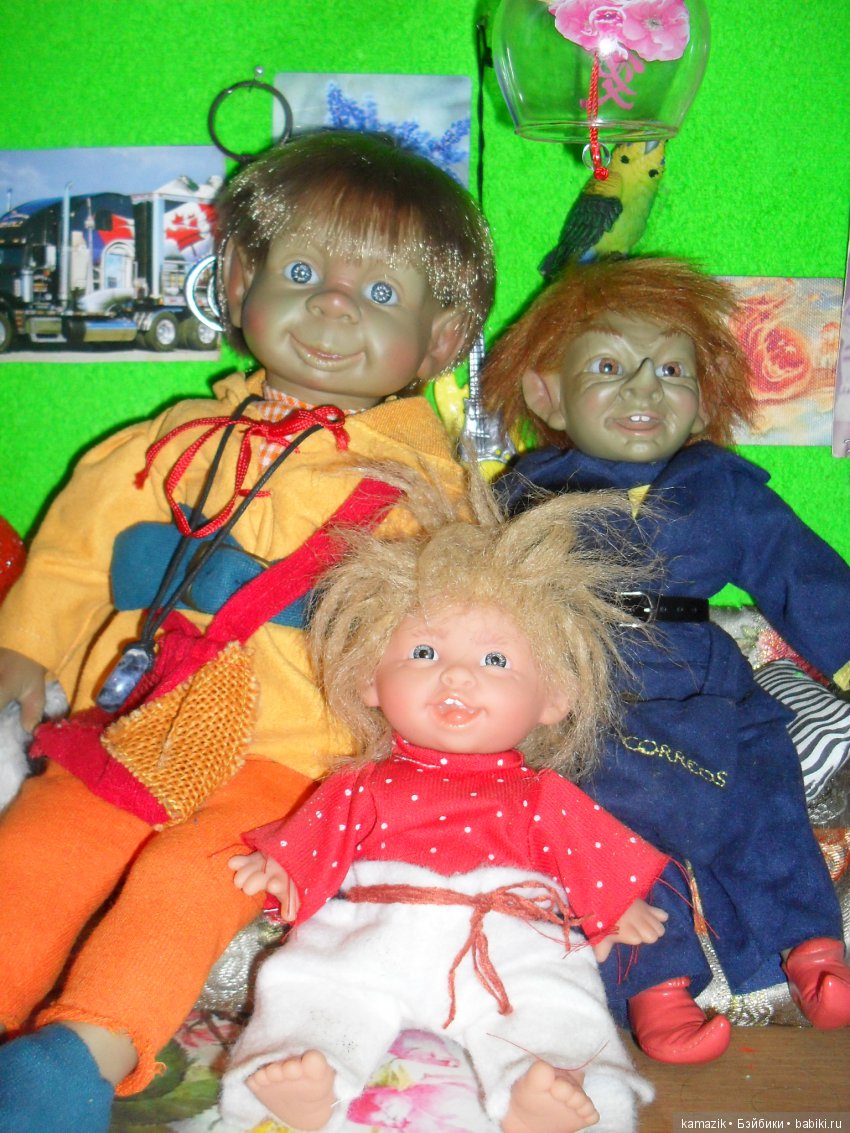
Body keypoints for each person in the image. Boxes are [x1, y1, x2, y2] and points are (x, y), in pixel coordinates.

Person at [0, 130, 494, 1133]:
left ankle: (84, 1051)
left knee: (190, 884)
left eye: (381, 293)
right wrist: (25, 649)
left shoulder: (424, 489)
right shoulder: (162, 446)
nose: (332, 306)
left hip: (291, 761)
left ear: (441, 342)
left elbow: (459, 633)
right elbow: (71, 558)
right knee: (37, 848)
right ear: (237, 281)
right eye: (302, 273)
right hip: (132, 729)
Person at [219, 472, 680, 1133]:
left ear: (553, 697)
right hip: (374, 928)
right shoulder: (361, 783)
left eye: (496, 660)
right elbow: (317, 838)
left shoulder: (542, 794)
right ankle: (301, 1073)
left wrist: (613, 905)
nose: (457, 673)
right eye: (424, 651)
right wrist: (284, 866)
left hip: (509, 936)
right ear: (372, 679)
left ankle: (550, 1090)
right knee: (312, 986)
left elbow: (588, 855)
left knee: (555, 1000)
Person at [483, 255, 850, 1064]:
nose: (644, 388)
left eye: (672, 370)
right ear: (547, 393)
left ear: (704, 399)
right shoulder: (524, 495)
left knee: (765, 793)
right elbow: (471, 597)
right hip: (585, 689)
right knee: (604, 829)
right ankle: (656, 990)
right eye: (608, 367)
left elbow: (801, 573)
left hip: (708, 679)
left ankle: (815, 951)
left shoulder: (723, 485)